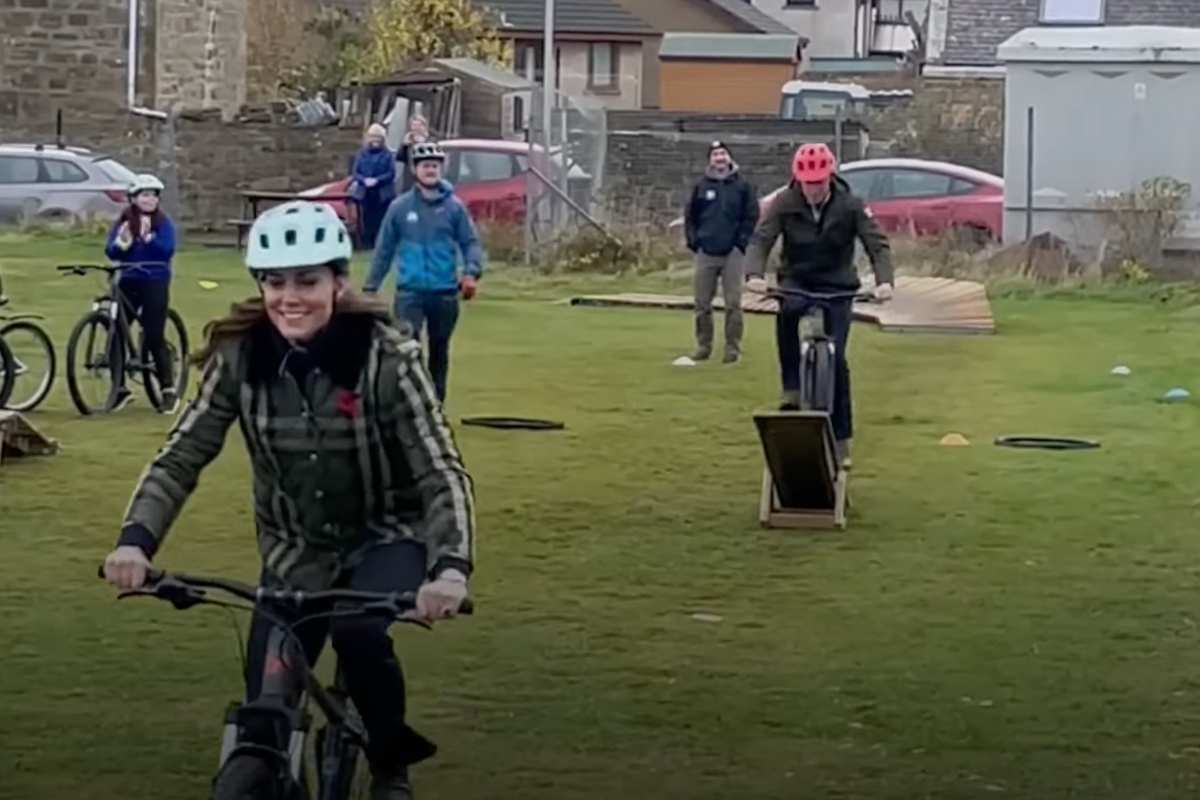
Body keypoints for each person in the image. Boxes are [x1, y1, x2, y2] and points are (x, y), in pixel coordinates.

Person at [101, 200, 476, 800]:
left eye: (307, 280)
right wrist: (134, 542)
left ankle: (389, 763)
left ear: (338, 282)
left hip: (387, 536)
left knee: (358, 631)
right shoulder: (239, 357)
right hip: (293, 553)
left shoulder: (388, 358)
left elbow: (439, 470)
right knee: (266, 706)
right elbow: (182, 455)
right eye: (276, 282)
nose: (290, 298)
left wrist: (450, 569)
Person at [743, 142, 894, 469]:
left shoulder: (850, 204)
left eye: (819, 183)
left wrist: (885, 282)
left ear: (830, 177)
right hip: (798, 279)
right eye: (808, 184)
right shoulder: (784, 202)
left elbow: (877, 244)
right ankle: (792, 387)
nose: (813, 190)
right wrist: (754, 273)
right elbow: (761, 239)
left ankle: (841, 440)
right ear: (798, 179)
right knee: (786, 313)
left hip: (837, 284)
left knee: (838, 359)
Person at [364, 141, 484, 405]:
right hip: (410, 292)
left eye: (435, 165)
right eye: (425, 166)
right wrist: (370, 287)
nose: (430, 170)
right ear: (414, 170)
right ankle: (412, 402)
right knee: (409, 349)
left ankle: (436, 403)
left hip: (444, 293)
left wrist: (471, 273)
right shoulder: (400, 207)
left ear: (441, 169)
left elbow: (470, 243)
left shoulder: (454, 207)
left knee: (439, 350)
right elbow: (384, 249)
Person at [104, 173, 179, 413]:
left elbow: (167, 250)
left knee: (153, 334)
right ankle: (119, 388)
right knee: (116, 330)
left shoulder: (162, 223)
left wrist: (148, 239)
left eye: (153, 195)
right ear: (134, 198)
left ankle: (167, 389)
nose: (150, 200)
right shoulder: (124, 222)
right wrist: (121, 245)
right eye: (144, 195)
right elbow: (111, 251)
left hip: (154, 280)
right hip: (128, 279)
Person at [683, 140, 759, 364]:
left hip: (732, 253)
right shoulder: (701, 186)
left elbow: (751, 215)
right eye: (715, 154)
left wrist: (740, 243)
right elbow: (690, 217)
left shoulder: (742, 186)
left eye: (723, 153)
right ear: (710, 159)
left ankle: (732, 348)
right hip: (706, 251)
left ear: (729, 158)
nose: (719, 158)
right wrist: (694, 242)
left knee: (733, 304)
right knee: (702, 303)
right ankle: (703, 346)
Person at [351, 123, 398, 249]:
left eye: (378, 137)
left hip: (383, 193)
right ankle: (367, 244)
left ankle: (381, 243)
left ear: (383, 139)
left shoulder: (387, 155)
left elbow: (391, 173)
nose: (375, 140)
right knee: (366, 220)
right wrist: (364, 180)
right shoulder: (361, 154)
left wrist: (377, 180)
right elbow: (355, 172)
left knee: (382, 219)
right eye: (373, 137)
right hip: (365, 193)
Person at [396, 115, 431, 193]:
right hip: (409, 178)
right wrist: (404, 145)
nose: (416, 128)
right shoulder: (408, 141)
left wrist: (423, 144)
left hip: (424, 177)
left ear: (424, 127)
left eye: (419, 125)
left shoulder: (430, 141)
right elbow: (399, 158)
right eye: (414, 125)